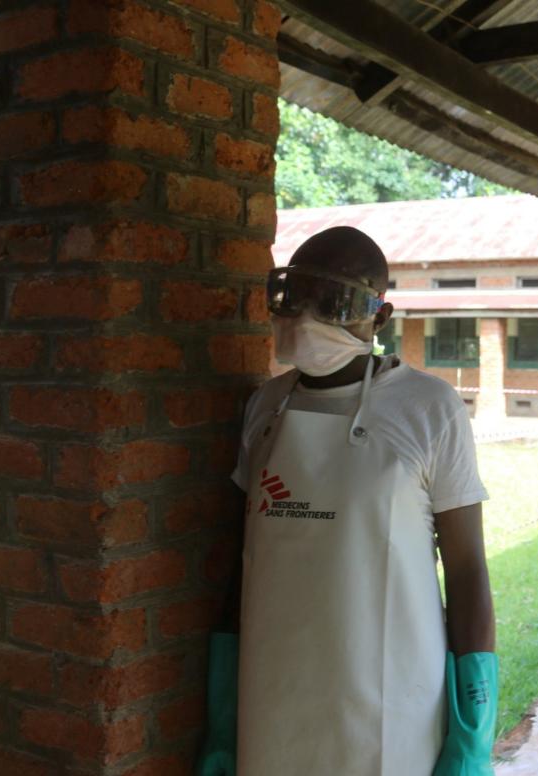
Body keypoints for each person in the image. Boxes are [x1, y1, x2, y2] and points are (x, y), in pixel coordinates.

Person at [197, 226, 498, 776]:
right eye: (295, 296)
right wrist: (223, 698)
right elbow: (242, 557)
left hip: (390, 700)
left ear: (379, 318)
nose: (307, 317)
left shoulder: (428, 408)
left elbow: (466, 567)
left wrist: (473, 723)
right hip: (273, 690)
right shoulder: (264, 406)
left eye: (335, 302)